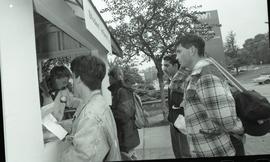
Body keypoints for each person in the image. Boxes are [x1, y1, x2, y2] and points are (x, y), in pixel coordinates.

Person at [175, 34, 245, 157]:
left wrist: (236, 128)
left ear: (192, 50)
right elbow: (174, 85)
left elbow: (226, 120)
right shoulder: (196, 74)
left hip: (217, 150)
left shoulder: (205, 76)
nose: (176, 57)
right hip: (209, 149)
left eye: (179, 52)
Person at [59, 55, 121, 161]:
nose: (71, 82)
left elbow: (82, 158)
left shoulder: (90, 115)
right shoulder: (98, 102)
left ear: (78, 79)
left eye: (72, 78)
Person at [108, 66, 140, 160]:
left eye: (110, 78)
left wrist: (110, 112)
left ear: (114, 78)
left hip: (125, 134)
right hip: (127, 133)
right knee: (130, 156)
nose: (109, 81)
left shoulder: (121, 91)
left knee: (127, 157)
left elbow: (124, 114)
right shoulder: (120, 90)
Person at [162, 54, 191, 158]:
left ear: (175, 66)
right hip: (174, 121)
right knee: (178, 152)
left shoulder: (183, 80)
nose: (164, 68)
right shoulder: (171, 80)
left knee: (185, 153)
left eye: (167, 65)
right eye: (163, 65)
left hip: (182, 122)